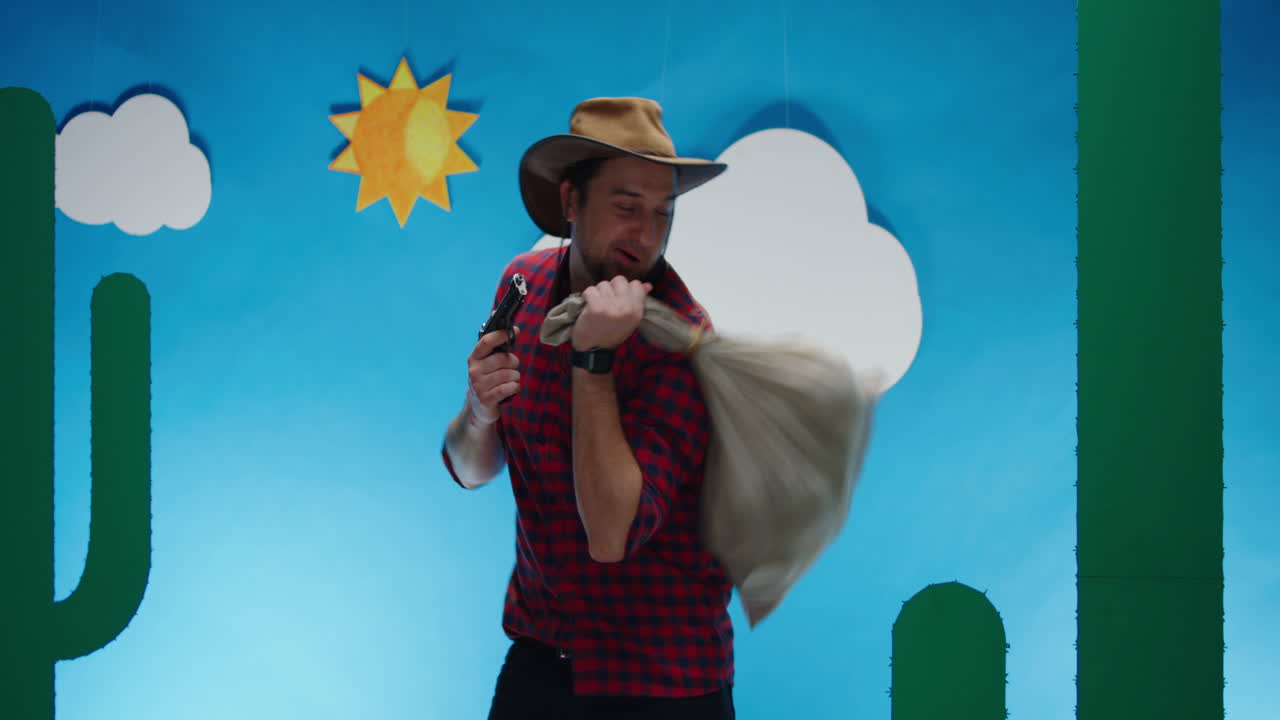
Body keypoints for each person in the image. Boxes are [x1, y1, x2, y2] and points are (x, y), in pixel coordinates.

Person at [441, 97, 737, 720]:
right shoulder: (519, 287)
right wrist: (479, 411)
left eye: (663, 213)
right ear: (571, 201)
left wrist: (593, 361)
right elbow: (470, 470)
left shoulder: (684, 342)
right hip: (542, 658)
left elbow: (611, 536)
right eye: (626, 207)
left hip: (661, 682)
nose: (647, 234)